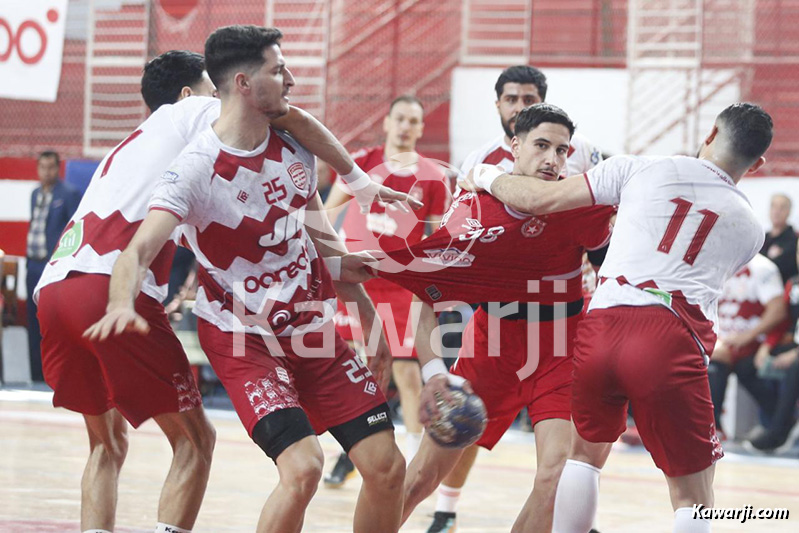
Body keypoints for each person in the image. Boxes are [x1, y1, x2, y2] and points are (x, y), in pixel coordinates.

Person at [34, 45, 410, 533]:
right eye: (215, 90)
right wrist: (359, 181)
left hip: (56, 286)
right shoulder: (195, 130)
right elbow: (291, 118)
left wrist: (355, 296)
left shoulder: (130, 146)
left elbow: (312, 224)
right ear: (192, 94)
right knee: (196, 442)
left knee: (107, 444)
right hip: (119, 289)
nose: (222, 100)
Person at [467, 102, 773, 533]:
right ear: (757, 164)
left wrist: (482, 174)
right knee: (693, 495)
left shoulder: (637, 168)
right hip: (670, 333)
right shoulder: (751, 229)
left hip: (602, 324)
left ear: (709, 135)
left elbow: (537, 199)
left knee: (582, 459)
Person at [374, 103, 613, 533]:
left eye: (561, 150)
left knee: (557, 476)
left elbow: (613, 271)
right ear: (514, 146)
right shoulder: (475, 209)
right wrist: (433, 374)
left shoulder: (579, 205)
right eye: (541, 146)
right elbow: (426, 296)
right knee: (423, 475)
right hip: (493, 346)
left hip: (561, 349)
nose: (552, 159)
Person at [426, 64, 604, 533]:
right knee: (455, 438)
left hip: (565, 323)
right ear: (501, 112)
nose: (519, 106)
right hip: (498, 327)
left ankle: (572, 515)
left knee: (562, 466)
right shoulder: (478, 161)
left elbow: (598, 233)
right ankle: (445, 507)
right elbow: (450, 255)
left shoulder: (584, 152)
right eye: (512, 99)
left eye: (529, 99)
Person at [322, 94, 451, 487]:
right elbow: (326, 214)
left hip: (400, 288)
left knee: (408, 375)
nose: (406, 126)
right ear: (387, 122)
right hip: (356, 283)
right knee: (360, 372)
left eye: (413, 121)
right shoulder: (360, 161)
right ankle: (350, 453)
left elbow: (437, 238)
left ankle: (411, 462)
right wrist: (335, 259)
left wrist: (433, 286)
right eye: (400, 119)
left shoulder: (433, 176)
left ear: (421, 128)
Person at [707, 254, 785, 438]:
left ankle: (712, 427)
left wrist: (747, 336)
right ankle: (710, 426)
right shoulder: (715, 263)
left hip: (753, 343)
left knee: (739, 367)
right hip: (719, 340)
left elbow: (778, 310)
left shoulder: (762, 267)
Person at [25, 150, 81, 383]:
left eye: (50, 167)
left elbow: (75, 231)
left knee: (55, 321)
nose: (46, 172)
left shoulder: (69, 194)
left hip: (53, 267)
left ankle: (58, 375)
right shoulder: (34, 194)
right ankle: (35, 374)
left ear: (58, 168)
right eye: (42, 167)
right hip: (33, 264)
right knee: (32, 320)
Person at [761, 193, 798, 283]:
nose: (777, 212)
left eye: (782, 208)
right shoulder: (761, 240)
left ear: (788, 212)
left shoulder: (794, 240)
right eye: (774, 207)